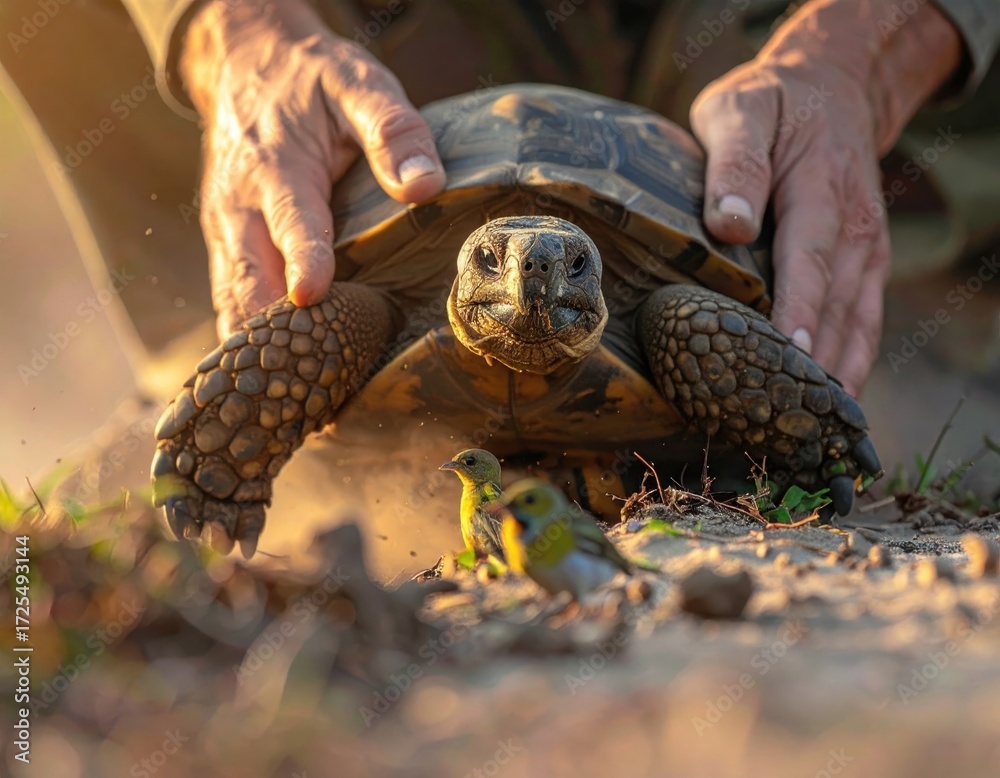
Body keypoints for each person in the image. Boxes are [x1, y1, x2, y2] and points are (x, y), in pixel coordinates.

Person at [2, 0, 998, 400]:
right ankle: (213, 346)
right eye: (502, 259)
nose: (532, 278)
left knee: (840, 370)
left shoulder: (672, 318)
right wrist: (230, 29)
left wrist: (864, 49)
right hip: (383, 67)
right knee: (309, 315)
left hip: (763, 67)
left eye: (563, 263)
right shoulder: (366, 317)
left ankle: (911, 347)